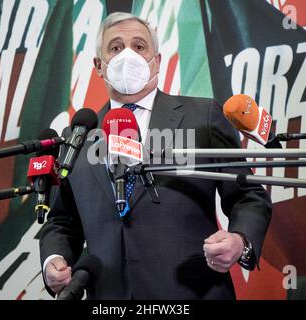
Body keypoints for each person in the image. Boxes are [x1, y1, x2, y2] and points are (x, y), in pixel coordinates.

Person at [39, 12, 272, 300]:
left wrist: (240, 241)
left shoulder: (203, 116)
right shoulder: (79, 136)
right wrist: (54, 260)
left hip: (193, 293)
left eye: (139, 46)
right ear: (99, 66)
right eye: (115, 47)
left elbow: (247, 196)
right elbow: (63, 221)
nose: (128, 55)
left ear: (157, 61)